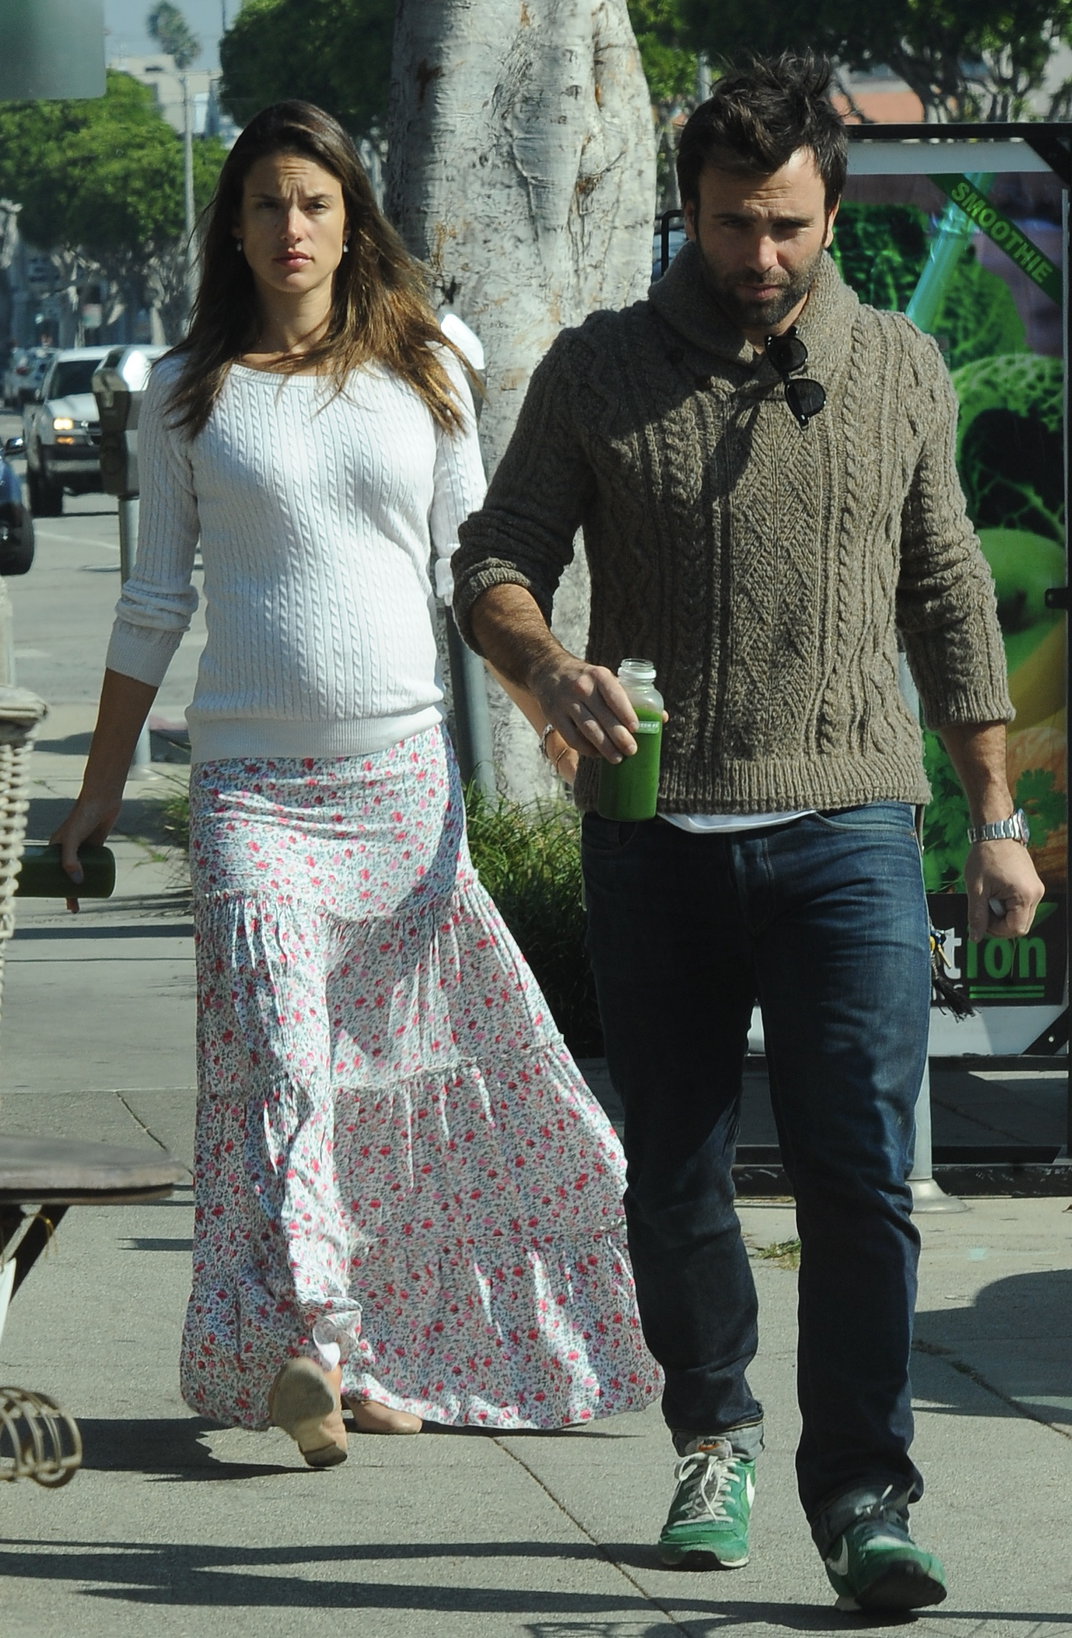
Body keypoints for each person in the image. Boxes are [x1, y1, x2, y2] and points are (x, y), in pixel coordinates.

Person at [451, 54, 1045, 1610]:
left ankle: (863, 1491)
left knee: (863, 1174)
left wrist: (998, 812)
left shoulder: (901, 366)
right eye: (730, 224)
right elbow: (494, 558)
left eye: (786, 225)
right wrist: (544, 666)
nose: (760, 256)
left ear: (829, 210)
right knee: (678, 1168)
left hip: (853, 823)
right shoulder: (598, 368)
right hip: (659, 831)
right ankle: (711, 1423)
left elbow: (953, 596)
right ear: (690, 211)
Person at [54, 100, 659, 1469]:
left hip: (401, 787)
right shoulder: (184, 390)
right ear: (236, 226)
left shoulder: (434, 360)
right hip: (251, 791)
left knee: (390, 1085)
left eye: (314, 203)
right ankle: (315, 1340)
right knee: (283, 1056)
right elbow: (154, 602)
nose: (290, 229)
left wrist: (546, 699)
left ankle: (381, 1350)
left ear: (352, 216)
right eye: (265, 205)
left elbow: (479, 574)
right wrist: (98, 790)